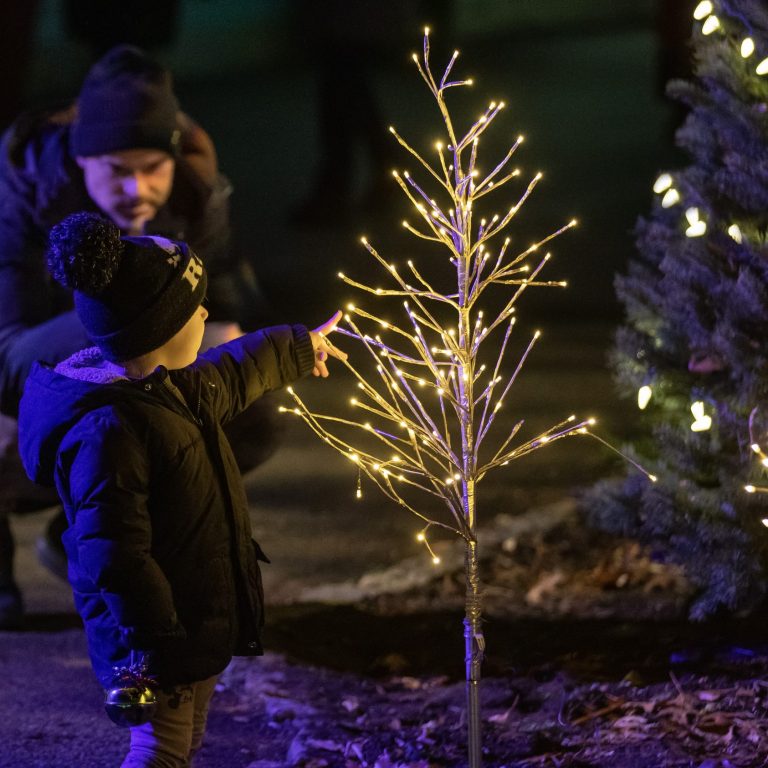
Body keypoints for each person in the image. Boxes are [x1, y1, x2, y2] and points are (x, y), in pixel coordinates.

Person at [17, 212, 346, 766]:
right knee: (161, 750)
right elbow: (114, 554)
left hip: (193, 620)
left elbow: (234, 373)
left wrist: (296, 347)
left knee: (184, 741)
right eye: (196, 309)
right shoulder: (111, 431)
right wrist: (156, 639)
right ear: (160, 330)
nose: (207, 314)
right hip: (156, 640)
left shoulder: (173, 390)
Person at [0, 45, 269, 627]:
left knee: (252, 407)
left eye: (154, 167)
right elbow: (10, 336)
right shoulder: (29, 190)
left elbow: (223, 296)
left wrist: (234, 342)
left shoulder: (194, 193)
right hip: (31, 369)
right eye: (118, 170)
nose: (138, 188)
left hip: (129, 369)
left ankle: (82, 535)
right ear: (82, 162)